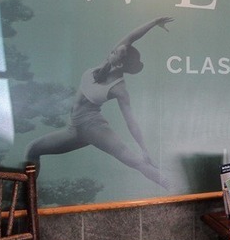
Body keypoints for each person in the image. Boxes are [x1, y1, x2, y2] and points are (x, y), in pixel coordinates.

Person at [26, 16, 174, 190]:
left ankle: (173, 186)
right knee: (33, 149)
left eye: (115, 52)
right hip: (74, 129)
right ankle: (29, 195)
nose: (112, 51)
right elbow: (132, 37)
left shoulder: (119, 88)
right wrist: (154, 22)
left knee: (136, 162)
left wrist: (144, 149)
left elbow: (131, 122)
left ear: (120, 63)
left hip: (94, 129)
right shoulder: (106, 64)